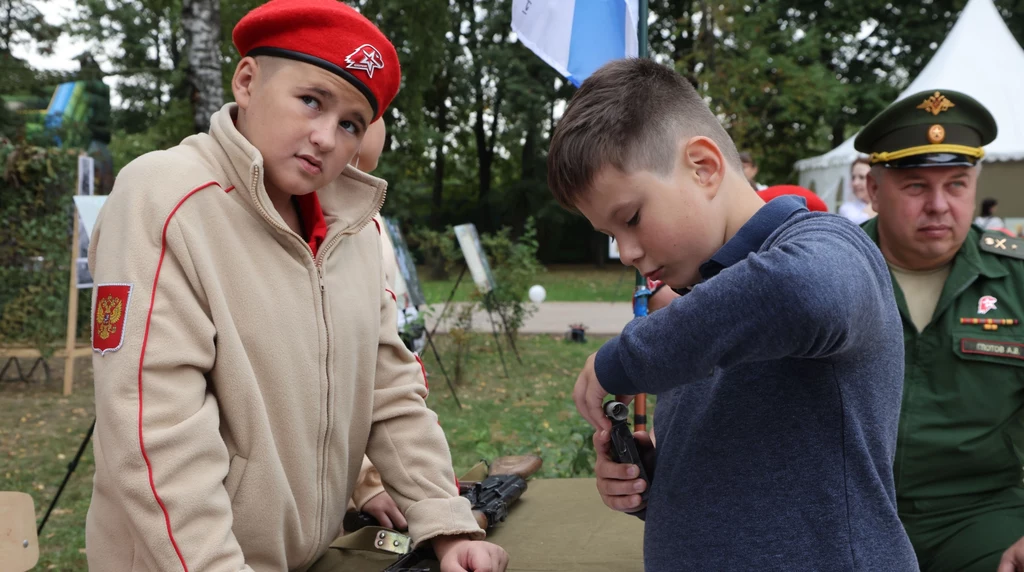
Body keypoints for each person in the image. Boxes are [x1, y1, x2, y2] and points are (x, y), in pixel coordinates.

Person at [83, 1, 508, 570]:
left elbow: (389, 390)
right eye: (311, 100)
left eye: (350, 123)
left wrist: (447, 523)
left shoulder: (352, 229)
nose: (326, 137)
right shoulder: (165, 199)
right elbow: (156, 433)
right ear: (248, 80)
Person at [546, 58, 916, 570]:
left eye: (631, 218)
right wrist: (661, 477)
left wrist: (622, 360)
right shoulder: (706, 295)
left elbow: (805, 294)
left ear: (704, 166)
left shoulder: (828, 243)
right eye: (611, 235)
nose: (627, 251)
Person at [855, 89, 1024, 572]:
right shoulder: (823, 271)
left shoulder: (1017, 278)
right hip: (847, 510)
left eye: (956, 184)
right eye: (914, 187)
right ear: (873, 189)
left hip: (980, 515)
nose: (938, 205)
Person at [839, 157, 877, 224]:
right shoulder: (847, 209)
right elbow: (857, 224)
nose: (855, 183)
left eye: (862, 177)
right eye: (853, 178)